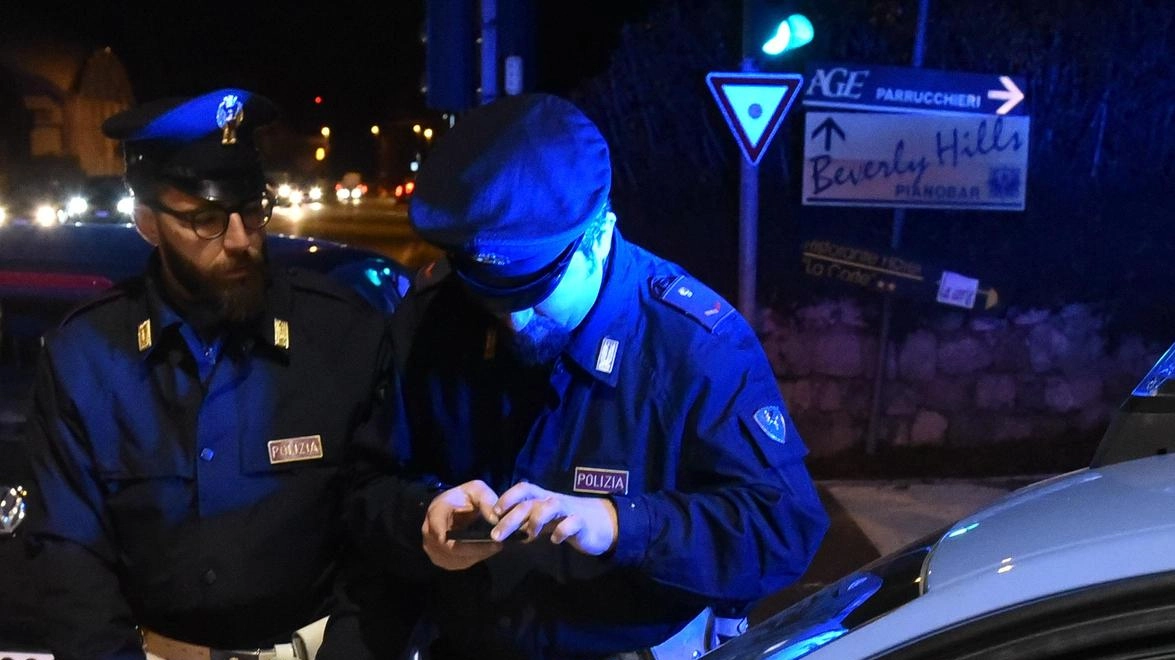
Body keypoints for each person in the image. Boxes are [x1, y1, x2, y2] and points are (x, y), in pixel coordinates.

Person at [348, 93, 829, 659]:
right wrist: (420, 520)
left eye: (536, 291)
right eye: (491, 300)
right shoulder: (433, 317)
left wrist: (620, 525)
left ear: (600, 236)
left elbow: (784, 525)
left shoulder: (694, 345)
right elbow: (364, 488)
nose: (517, 320)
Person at [24, 88, 394, 660]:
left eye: (253, 212)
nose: (242, 241)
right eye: (206, 221)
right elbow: (70, 558)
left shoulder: (342, 337)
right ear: (148, 221)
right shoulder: (86, 356)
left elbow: (381, 530)